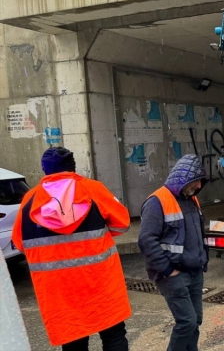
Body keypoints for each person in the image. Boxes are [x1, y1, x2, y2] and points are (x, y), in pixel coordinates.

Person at [12, 147, 131, 350]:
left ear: (45, 169)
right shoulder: (93, 189)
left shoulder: (30, 201)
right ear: (72, 166)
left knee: (74, 343)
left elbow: (20, 243)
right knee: (114, 337)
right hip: (101, 282)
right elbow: (122, 224)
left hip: (59, 291)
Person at [139, 154, 208, 351]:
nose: (198, 187)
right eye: (195, 182)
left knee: (195, 321)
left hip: (194, 272)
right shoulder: (157, 201)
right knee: (187, 322)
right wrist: (168, 270)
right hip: (173, 274)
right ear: (184, 178)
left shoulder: (191, 200)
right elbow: (146, 240)